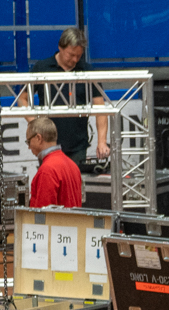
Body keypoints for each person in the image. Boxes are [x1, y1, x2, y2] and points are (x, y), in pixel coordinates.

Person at [18, 28, 108, 166]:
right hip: (47, 144)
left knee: (74, 186)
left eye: (79, 56)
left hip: (77, 145)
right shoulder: (42, 68)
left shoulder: (87, 71)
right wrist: (35, 123)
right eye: (71, 55)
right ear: (60, 47)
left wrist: (101, 141)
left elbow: (100, 108)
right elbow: (22, 99)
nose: (75, 60)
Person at [27, 118, 84, 208]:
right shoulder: (73, 165)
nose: (29, 147)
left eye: (28, 142)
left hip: (55, 222)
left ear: (38, 138)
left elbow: (42, 215)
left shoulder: (47, 170)